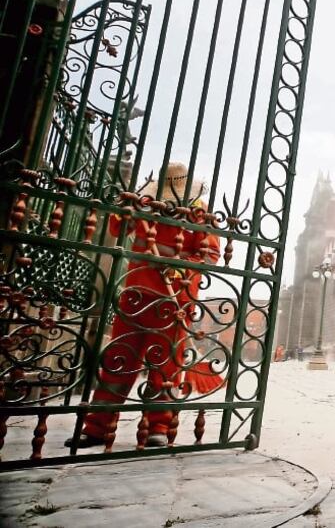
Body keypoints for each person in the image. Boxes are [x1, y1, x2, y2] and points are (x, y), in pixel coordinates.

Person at [65, 163, 220, 449]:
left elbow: (210, 254)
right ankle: (97, 426)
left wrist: (179, 269)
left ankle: (157, 427)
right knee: (117, 362)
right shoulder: (146, 204)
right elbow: (117, 225)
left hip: (175, 301)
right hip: (136, 296)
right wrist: (129, 204)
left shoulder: (199, 210)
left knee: (166, 367)